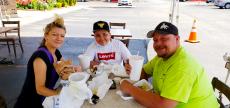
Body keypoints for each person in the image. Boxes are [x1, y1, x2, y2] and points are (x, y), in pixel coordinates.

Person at [121, 21, 219, 108]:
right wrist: (134, 71)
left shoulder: (182, 66)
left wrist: (130, 89)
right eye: (155, 40)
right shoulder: (162, 57)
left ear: (177, 39)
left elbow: (163, 105)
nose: (158, 44)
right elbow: (145, 72)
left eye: (164, 39)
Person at [14, 15, 81, 108]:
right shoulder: (40, 58)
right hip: (31, 103)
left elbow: (64, 68)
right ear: (46, 36)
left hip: (45, 99)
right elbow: (40, 89)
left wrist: (73, 69)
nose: (59, 38)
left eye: (62, 36)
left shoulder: (56, 52)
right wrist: (59, 94)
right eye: (54, 34)